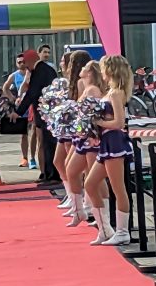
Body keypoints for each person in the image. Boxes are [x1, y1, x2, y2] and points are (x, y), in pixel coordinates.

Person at [85, 55, 134, 245]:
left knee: (118, 188)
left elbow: (120, 122)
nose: (102, 72)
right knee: (90, 184)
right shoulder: (112, 91)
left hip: (114, 142)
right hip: (107, 141)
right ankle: (105, 229)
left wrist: (99, 122)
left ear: (110, 70)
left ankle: (122, 231)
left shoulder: (115, 93)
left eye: (104, 68)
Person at [65, 60, 107, 226]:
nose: (80, 69)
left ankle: (103, 217)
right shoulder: (85, 86)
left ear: (90, 72)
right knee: (72, 170)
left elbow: (93, 114)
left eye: (84, 68)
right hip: (82, 136)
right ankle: (79, 210)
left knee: (94, 177)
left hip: (91, 138)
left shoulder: (93, 90)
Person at [12, 49, 58, 181]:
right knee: (46, 143)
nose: (25, 67)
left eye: (26, 63)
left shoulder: (38, 72)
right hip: (50, 111)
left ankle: (51, 174)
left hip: (44, 113)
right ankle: (48, 173)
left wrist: (18, 112)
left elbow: (32, 93)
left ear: (31, 60)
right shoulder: (49, 70)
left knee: (47, 144)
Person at [54, 50, 90, 196]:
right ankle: (73, 196)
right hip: (68, 127)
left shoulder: (81, 83)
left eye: (65, 61)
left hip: (76, 128)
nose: (63, 64)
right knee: (60, 162)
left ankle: (82, 199)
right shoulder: (69, 82)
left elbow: (81, 106)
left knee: (80, 168)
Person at [2, 54, 29, 167]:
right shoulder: (15, 75)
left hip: (32, 105)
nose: (22, 64)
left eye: (23, 61)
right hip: (21, 107)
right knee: (23, 134)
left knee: (36, 134)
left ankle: (33, 157)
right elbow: (5, 87)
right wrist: (11, 98)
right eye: (19, 62)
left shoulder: (31, 73)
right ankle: (25, 158)